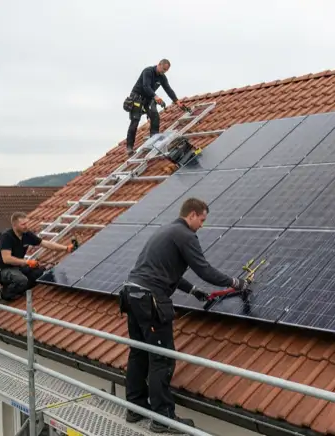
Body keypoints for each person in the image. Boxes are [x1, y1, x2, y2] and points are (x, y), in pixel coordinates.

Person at [121, 197, 248, 433]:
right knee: (162, 358)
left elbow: (166, 271)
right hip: (150, 300)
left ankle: (135, 408)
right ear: (192, 215)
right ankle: (162, 419)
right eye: (202, 219)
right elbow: (204, 269)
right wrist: (235, 282)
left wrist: (192, 290)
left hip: (131, 295)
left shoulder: (167, 232)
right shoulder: (186, 236)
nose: (202, 225)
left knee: (139, 353)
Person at [0, 212, 76, 301]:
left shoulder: (26, 234)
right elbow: (7, 259)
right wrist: (27, 262)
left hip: (17, 267)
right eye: (23, 224)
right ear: (14, 225)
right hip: (2, 270)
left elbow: (46, 244)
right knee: (21, 280)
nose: (26, 226)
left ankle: (20, 289)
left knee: (40, 272)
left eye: (27, 223)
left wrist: (66, 248)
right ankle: (3, 296)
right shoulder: (6, 236)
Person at [123, 59, 188, 155]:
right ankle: (129, 148)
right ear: (159, 65)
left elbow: (168, 89)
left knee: (155, 117)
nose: (164, 71)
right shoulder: (148, 71)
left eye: (166, 70)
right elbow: (146, 86)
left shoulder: (162, 77)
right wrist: (156, 96)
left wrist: (177, 101)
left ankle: (154, 142)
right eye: (163, 69)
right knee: (135, 121)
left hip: (148, 99)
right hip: (137, 97)